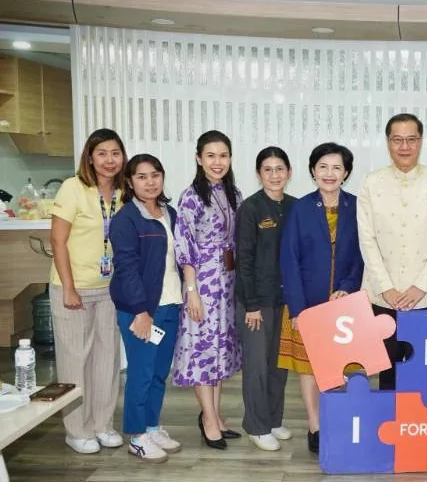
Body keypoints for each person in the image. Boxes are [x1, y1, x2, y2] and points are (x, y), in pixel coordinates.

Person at [357, 113, 427, 390]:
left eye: (411, 139)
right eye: (397, 140)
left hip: (425, 295)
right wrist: (386, 288)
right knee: (386, 369)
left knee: (420, 373)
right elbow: (367, 240)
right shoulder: (371, 183)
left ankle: (416, 419)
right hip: (382, 294)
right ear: (388, 142)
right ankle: (389, 418)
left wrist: (420, 287)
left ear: (420, 142)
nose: (404, 147)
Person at [279, 142, 364, 454]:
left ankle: (337, 421)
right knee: (309, 369)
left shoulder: (357, 207)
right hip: (307, 303)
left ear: (346, 173)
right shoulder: (301, 208)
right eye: (323, 167)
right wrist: (297, 310)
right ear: (313, 171)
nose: (330, 173)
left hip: (343, 304)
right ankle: (314, 425)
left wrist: (348, 286)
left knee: (340, 367)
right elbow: (289, 260)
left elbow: (363, 254)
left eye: (337, 168)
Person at [49, 128, 127, 454]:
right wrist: (69, 288)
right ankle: (76, 430)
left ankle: (102, 424)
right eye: (102, 153)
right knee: (75, 361)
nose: (109, 160)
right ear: (90, 158)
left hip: (109, 289)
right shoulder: (73, 188)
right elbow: (57, 240)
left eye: (115, 153)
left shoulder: (124, 192)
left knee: (107, 360)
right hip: (74, 288)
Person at [109, 154, 183, 463]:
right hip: (141, 310)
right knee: (140, 373)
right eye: (141, 176)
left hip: (170, 303)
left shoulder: (170, 213)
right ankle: (137, 436)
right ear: (129, 182)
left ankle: (152, 427)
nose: (150, 182)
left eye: (155, 175)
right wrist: (141, 311)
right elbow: (126, 268)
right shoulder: (126, 219)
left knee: (159, 373)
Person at [173, 130, 243, 450]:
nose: (218, 162)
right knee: (202, 352)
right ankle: (208, 420)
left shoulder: (233, 194)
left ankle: (215, 414)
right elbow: (184, 246)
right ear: (199, 159)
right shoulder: (191, 197)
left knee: (219, 352)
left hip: (227, 286)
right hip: (202, 285)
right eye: (211, 156)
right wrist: (192, 291)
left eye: (223, 155)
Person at [235, 147, 296, 452]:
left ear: (289, 172)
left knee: (278, 365)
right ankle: (256, 426)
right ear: (259, 174)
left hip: (285, 299)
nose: (274, 175)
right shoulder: (250, 208)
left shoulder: (296, 207)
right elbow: (244, 259)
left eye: (279, 169)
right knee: (257, 366)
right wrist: (252, 305)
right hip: (256, 303)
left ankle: (273, 420)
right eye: (268, 170)